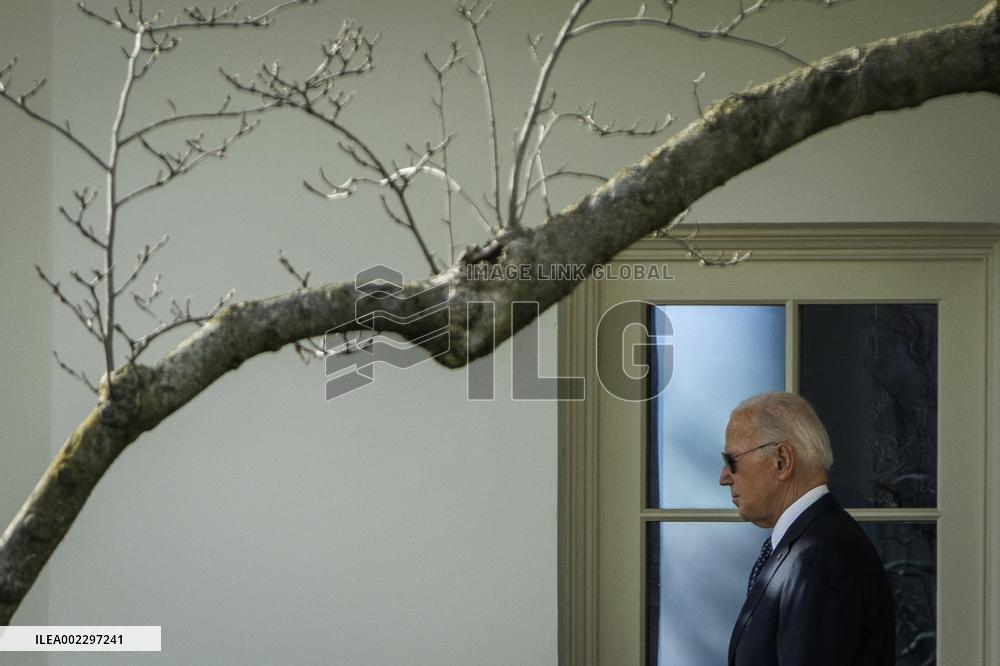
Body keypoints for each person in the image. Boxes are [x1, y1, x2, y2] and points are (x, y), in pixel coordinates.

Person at [720, 391, 895, 666]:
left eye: (732, 461)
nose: (724, 478)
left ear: (782, 461)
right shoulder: (811, 543)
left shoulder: (819, 555)